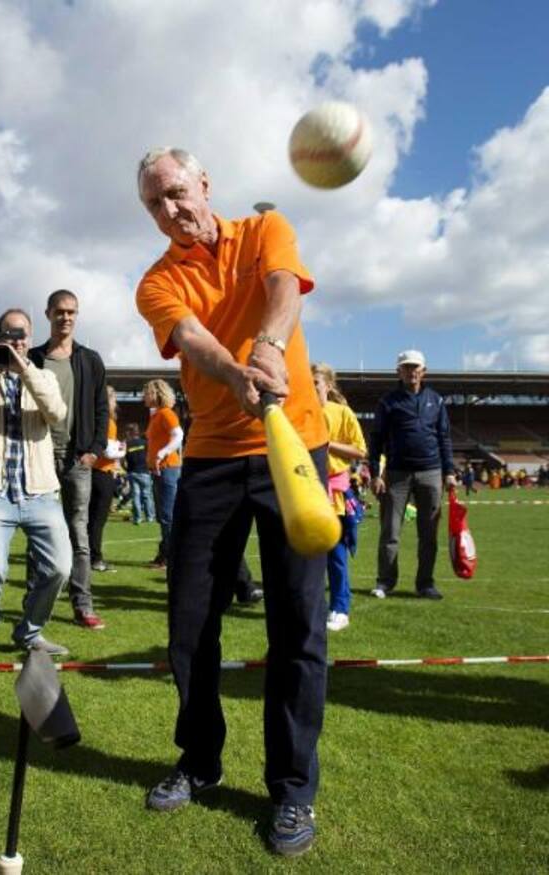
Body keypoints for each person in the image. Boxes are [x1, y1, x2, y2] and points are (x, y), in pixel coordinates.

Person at [135, 147, 330, 857]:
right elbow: (190, 337)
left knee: (299, 625)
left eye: (177, 193)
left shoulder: (264, 229)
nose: (170, 211)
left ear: (205, 184)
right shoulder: (157, 280)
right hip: (212, 457)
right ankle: (200, 760)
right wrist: (239, 370)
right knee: (190, 625)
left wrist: (271, 346)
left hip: (291, 447)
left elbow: (284, 284)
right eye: (154, 204)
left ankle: (292, 788)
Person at [0, 308, 72, 662]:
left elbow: (56, 413)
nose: (16, 341)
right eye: (9, 335)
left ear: (30, 336)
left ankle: (30, 631)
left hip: (40, 492)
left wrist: (22, 368)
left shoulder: (43, 377)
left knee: (59, 569)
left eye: (22, 334)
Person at [29, 290, 108, 630]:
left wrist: (94, 449)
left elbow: (101, 408)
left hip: (78, 459)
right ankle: (34, 606)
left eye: (71, 312)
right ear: (48, 314)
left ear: (77, 315)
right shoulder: (31, 357)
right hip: (39, 457)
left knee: (79, 533)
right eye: (60, 311)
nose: (66, 317)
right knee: (37, 532)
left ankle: (82, 604)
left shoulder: (90, 360)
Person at [369, 349, 455, 601]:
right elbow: (376, 439)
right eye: (406, 367)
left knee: (428, 534)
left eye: (415, 367)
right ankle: (385, 581)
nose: (411, 371)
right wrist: (375, 473)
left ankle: (425, 584)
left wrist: (449, 471)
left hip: (431, 472)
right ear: (399, 372)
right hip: (396, 474)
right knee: (390, 532)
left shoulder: (436, 401)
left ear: (423, 371)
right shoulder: (388, 402)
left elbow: (444, 438)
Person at [312, 363, 366, 631]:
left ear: (328, 386)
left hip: (334, 493)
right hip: (306, 492)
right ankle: (311, 607)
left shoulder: (342, 413)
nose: (311, 389)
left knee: (335, 553)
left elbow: (360, 451)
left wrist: (326, 443)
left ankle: (340, 607)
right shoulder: (300, 413)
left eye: (316, 384)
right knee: (307, 555)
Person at [143, 379, 183, 569]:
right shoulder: (156, 415)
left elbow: (178, 435)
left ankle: (169, 556)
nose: (144, 396)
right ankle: (165, 554)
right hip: (159, 470)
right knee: (163, 515)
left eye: (147, 392)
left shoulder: (167, 414)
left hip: (168, 468)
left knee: (167, 515)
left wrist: (162, 453)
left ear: (156, 394)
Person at [88, 385, 124, 573]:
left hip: (93, 473)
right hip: (103, 472)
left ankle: (87, 556)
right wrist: (122, 450)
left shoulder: (92, 420)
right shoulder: (108, 422)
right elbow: (108, 451)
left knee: (89, 519)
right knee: (97, 520)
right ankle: (96, 558)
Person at [123, 423, 156, 526]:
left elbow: (122, 459)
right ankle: (150, 517)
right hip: (144, 471)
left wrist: (126, 469)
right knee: (147, 495)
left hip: (132, 472)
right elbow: (150, 455)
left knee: (135, 496)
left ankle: (137, 518)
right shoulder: (145, 443)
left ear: (129, 432)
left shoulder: (126, 444)